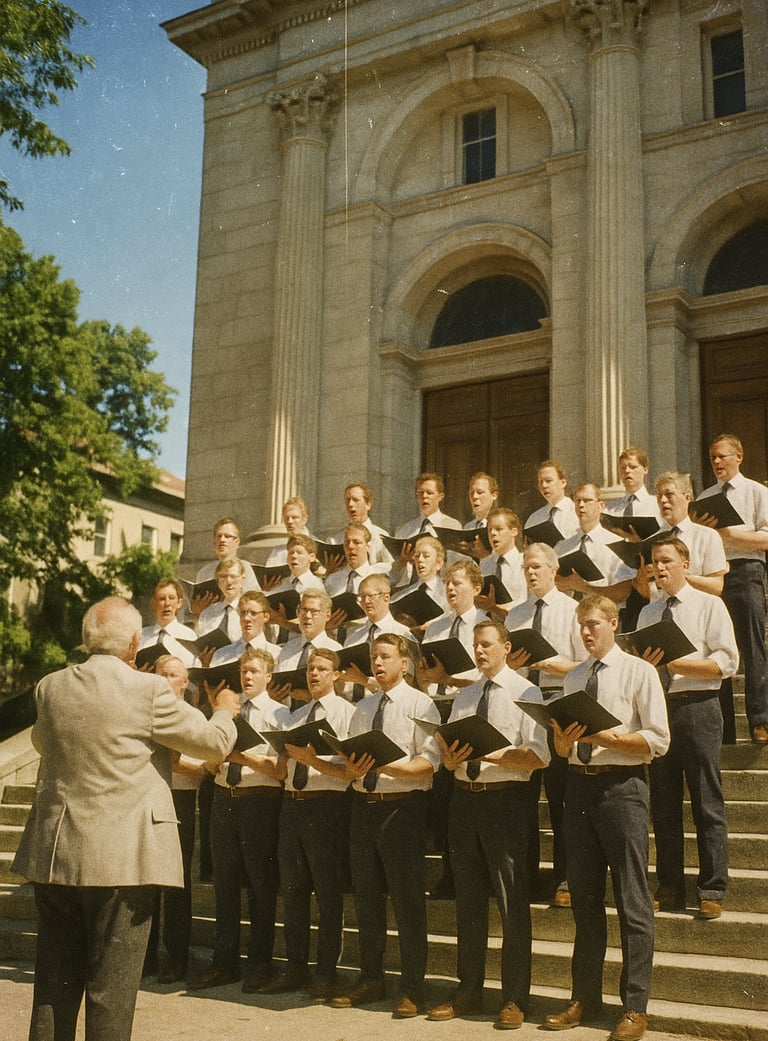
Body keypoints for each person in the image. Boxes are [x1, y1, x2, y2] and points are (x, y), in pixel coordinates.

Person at [12, 596, 238, 1041]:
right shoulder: (148, 690)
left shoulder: (50, 687)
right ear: (135, 644)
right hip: (124, 859)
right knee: (111, 992)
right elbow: (212, 743)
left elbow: (43, 743)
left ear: (86, 640)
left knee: (54, 986)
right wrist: (226, 710)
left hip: (57, 854)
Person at [543, 595, 669, 1041]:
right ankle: (584, 996)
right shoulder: (575, 676)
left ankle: (635, 1006)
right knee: (584, 899)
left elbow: (658, 741)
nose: (586, 632)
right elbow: (564, 749)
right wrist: (562, 739)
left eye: (594, 624)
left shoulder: (640, 671)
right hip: (579, 787)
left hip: (622, 788)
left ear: (614, 623)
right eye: (581, 625)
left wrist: (605, 737)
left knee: (633, 900)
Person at [426, 620, 548, 1030]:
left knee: (512, 903)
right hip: (465, 800)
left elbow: (538, 756)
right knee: (469, 902)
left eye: (487, 645)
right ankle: (469, 990)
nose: (479, 652)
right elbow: (452, 756)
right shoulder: (465, 696)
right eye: (475, 646)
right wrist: (450, 759)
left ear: (506, 647)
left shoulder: (526, 692)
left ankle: (514, 997)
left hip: (505, 803)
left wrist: (489, 753)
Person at [329, 633, 441, 1017]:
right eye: (374, 657)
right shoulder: (363, 707)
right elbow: (351, 766)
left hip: (402, 810)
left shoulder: (421, 704)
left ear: (404, 664)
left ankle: (412, 989)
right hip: (363, 808)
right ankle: (370, 979)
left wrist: (384, 765)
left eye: (385, 657)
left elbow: (428, 764)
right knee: (366, 901)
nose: (377, 663)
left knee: (408, 905)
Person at [638, 537, 738, 918]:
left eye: (666, 560)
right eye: (654, 562)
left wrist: (675, 664)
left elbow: (726, 663)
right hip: (660, 710)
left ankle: (712, 888)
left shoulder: (708, 605)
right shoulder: (649, 612)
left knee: (706, 800)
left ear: (686, 564)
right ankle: (670, 887)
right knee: (663, 805)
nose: (659, 568)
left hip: (698, 707)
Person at [189, 648, 289, 994]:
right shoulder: (226, 712)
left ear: (268, 677)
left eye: (254, 671)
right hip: (223, 799)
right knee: (225, 885)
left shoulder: (280, 714)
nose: (247, 676)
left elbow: (280, 770)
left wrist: (241, 756)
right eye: (244, 671)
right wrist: (215, 759)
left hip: (259, 802)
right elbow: (208, 761)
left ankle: (260, 964)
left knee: (261, 886)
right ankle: (224, 963)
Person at [260, 648, 355, 999]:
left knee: (327, 893)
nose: (314, 674)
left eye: (322, 669)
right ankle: (295, 968)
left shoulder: (347, 713)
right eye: (311, 669)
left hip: (326, 805)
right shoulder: (294, 716)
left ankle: (326, 973)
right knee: (293, 892)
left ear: (336, 675)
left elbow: (349, 772)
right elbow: (279, 770)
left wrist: (314, 761)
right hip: (292, 805)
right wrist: (283, 756)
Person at [505, 543, 583, 906]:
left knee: (560, 796)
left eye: (537, 567)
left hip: (556, 700)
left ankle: (566, 878)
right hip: (523, 704)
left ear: (554, 570)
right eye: (526, 568)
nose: (531, 573)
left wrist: (552, 666)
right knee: (522, 797)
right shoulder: (515, 616)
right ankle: (526, 877)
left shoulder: (571, 610)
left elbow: (586, 666)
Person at [696, 434, 768, 745]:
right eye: (713, 457)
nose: (716, 462)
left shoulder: (756, 492)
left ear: (739, 457)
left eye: (722, 456)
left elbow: (766, 539)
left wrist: (728, 535)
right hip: (714, 573)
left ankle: (760, 720)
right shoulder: (707, 496)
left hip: (746, 570)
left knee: (752, 646)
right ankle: (724, 729)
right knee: (717, 645)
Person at [144, 655, 207, 983]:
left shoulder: (192, 716)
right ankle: (145, 956)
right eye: (162, 674)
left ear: (185, 683)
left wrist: (174, 762)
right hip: (146, 797)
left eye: (173, 675)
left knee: (176, 882)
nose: (166, 680)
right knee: (145, 880)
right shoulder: (143, 710)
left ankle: (176, 958)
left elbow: (203, 769)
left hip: (180, 798)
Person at [555, 483, 635, 605]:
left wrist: (584, 587)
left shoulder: (617, 545)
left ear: (601, 506)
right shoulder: (562, 547)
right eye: (577, 501)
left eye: (587, 500)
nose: (581, 505)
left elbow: (623, 592)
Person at [391, 472, 461, 586]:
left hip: (440, 587)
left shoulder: (451, 526)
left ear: (440, 496)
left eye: (429, 493)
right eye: (420, 493)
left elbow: (456, 563)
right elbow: (394, 569)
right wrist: (402, 561)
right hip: (409, 588)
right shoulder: (405, 530)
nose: (424, 496)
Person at [188, 517, 260, 620]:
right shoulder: (204, 572)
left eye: (227, 536)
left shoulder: (246, 568)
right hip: (209, 622)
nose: (222, 540)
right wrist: (196, 611)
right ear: (214, 541)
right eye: (219, 536)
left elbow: (255, 604)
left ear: (237, 541)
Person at [327, 482, 392, 565]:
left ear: (368, 504)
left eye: (356, 500)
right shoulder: (337, 538)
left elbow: (390, 567)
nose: (350, 504)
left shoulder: (381, 536)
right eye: (347, 500)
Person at [210, 589, 281, 664]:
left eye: (253, 613)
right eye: (243, 613)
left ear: (266, 616)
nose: (246, 618)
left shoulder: (277, 655)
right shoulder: (221, 655)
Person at [139, 579, 198, 667]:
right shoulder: (141, 636)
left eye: (172, 598)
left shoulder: (189, 636)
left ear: (179, 603)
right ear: (153, 603)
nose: (167, 603)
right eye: (162, 599)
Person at [478, 507, 527, 615]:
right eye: (489, 530)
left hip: (516, 620)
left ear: (514, 531)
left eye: (499, 529)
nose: (493, 533)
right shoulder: (484, 563)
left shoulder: (524, 562)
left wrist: (498, 609)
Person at [523, 460, 579, 543]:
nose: (544, 485)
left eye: (548, 481)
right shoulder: (534, 518)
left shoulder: (577, 512)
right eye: (540, 482)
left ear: (563, 483)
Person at [603, 448, 661, 526]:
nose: (627, 471)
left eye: (632, 467)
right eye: (623, 468)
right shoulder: (610, 509)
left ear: (645, 470)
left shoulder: (657, 505)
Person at [196, 557, 246, 643]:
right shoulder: (208, 612)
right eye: (223, 577)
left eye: (233, 576)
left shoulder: (249, 611)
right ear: (217, 580)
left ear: (242, 579)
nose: (228, 582)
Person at [265, 497, 312, 567]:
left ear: (304, 519)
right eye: (287, 518)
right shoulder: (277, 553)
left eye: (294, 517)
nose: (289, 521)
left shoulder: (316, 547)